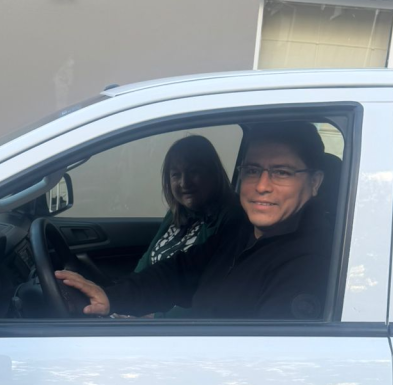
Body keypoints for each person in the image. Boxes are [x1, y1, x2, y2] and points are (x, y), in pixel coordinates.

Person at [57, 122, 331, 321]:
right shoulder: (241, 231)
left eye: (281, 172)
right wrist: (111, 297)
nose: (261, 186)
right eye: (252, 170)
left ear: (315, 182)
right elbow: (179, 273)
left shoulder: (311, 262)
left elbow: (269, 355)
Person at [135, 134, 237, 272]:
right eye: (176, 175)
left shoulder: (230, 216)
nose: (184, 183)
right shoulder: (176, 212)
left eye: (193, 172)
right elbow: (146, 261)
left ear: (213, 173)